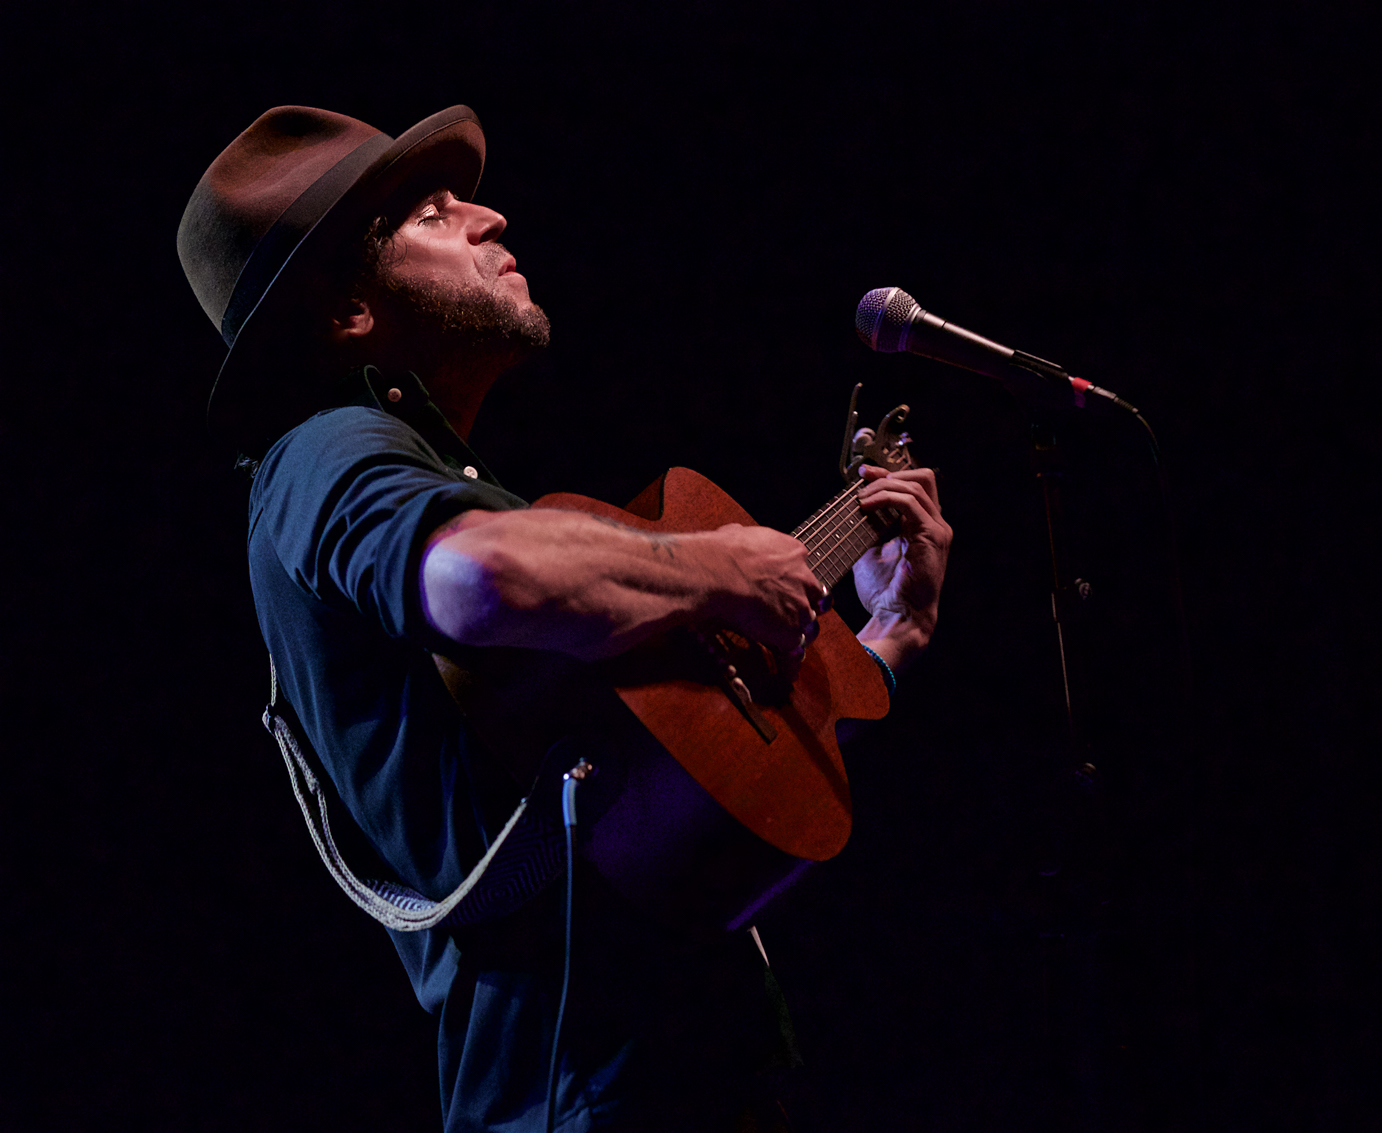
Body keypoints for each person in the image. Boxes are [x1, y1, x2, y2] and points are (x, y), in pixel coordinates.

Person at [177, 104, 951, 1131]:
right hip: (570, 1097)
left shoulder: (438, 479)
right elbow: (475, 578)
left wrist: (891, 632)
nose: (491, 217)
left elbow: (700, 775)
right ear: (345, 313)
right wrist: (713, 565)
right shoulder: (326, 447)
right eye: (435, 213)